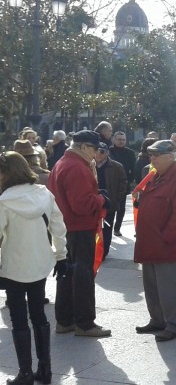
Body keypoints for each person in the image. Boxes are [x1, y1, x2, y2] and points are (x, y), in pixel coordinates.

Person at [0, 151, 67, 385]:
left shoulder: (4, 201)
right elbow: (58, 226)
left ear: (6, 173)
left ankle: (25, 373)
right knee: (39, 316)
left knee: (19, 319)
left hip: (14, 267)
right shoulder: (44, 193)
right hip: (40, 263)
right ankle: (45, 370)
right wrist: (61, 256)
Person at [48, 130, 111, 337]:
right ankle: (85, 323)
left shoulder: (62, 163)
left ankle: (65, 320)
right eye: (94, 149)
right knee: (83, 276)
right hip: (79, 228)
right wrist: (101, 200)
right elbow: (82, 205)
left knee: (67, 276)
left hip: (66, 228)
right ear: (83, 147)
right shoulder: (77, 168)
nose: (96, 153)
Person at [133, 140, 176, 342]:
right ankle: (158, 320)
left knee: (169, 288)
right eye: (151, 155)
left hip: (166, 244)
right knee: (152, 287)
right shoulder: (154, 176)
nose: (152, 159)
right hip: (149, 243)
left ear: (171, 156)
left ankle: (174, 325)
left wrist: (166, 236)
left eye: (156, 155)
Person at [94, 145, 127, 257]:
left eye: (102, 151)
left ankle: (104, 251)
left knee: (107, 229)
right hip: (92, 203)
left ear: (107, 153)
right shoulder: (88, 164)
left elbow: (123, 183)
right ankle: (93, 251)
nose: (99, 154)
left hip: (109, 203)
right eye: (96, 151)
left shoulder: (117, 166)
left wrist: (117, 198)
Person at [109, 132, 136, 237]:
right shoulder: (108, 151)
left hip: (123, 184)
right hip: (109, 183)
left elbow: (133, 170)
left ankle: (117, 228)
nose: (121, 141)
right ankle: (108, 228)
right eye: (119, 139)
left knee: (121, 208)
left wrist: (128, 182)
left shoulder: (130, 153)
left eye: (123, 140)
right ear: (114, 140)